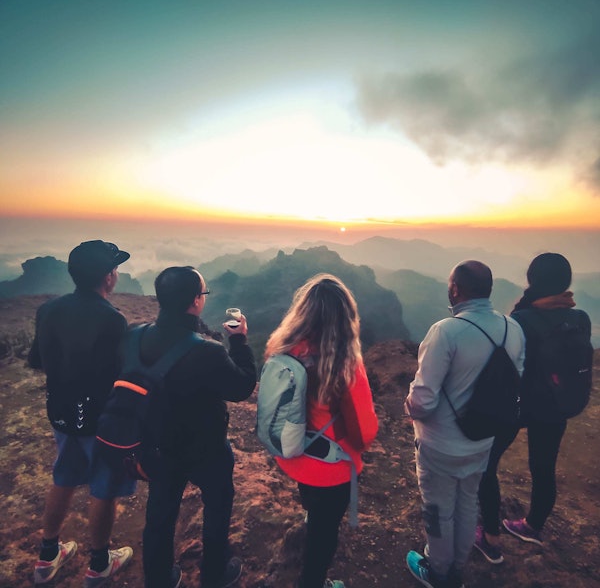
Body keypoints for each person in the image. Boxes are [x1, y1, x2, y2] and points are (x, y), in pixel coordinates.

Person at [404, 260, 525, 588]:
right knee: (468, 502)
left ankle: (439, 573)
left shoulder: (445, 331)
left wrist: (409, 406)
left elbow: (423, 400)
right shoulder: (512, 329)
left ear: (455, 289)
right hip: (483, 440)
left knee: (438, 509)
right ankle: (457, 566)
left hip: (441, 445)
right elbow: (515, 382)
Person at [139, 266, 257, 588]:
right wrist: (239, 341)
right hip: (207, 449)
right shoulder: (209, 351)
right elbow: (242, 387)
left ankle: (158, 578)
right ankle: (214, 574)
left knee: (160, 514)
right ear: (195, 301)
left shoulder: (137, 336)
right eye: (203, 293)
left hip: (158, 444)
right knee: (217, 507)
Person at [27, 240, 135, 586]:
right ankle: (100, 564)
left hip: (61, 412)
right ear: (107, 277)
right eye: (115, 268)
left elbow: (37, 360)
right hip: (97, 419)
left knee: (64, 476)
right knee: (103, 486)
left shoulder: (48, 310)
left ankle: (47, 556)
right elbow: (120, 373)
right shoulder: (112, 319)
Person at [264, 273, 379, 588]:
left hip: (293, 453)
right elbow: (363, 433)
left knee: (315, 508)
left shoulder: (283, 349)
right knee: (325, 533)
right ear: (346, 317)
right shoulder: (345, 365)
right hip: (331, 467)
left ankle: (311, 515)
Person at [476, 253, 592, 561]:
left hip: (519, 405)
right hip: (556, 405)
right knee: (544, 468)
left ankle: (489, 534)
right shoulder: (580, 318)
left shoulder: (522, 320)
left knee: (485, 464)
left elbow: (504, 364)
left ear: (533, 280)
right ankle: (532, 526)